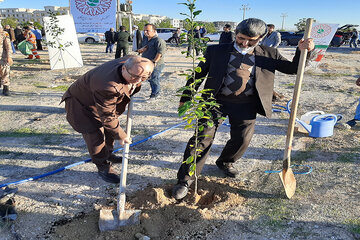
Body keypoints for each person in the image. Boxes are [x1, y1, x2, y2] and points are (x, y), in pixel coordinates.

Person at [172, 18, 314, 200]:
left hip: (246, 103)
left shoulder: (269, 53)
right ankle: (185, 179)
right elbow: (198, 74)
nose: (244, 43)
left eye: (251, 40)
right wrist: (186, 98)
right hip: (214, 101)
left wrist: (303, 51)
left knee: (242, 139)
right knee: (201, 139)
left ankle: (225, 161)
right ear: (235, 34)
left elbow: (294, 68)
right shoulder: (216, 50)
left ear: (261, 38)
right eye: (241, 38)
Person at [61, 56, 154, 183]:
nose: (137, 80)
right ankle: (103, 166)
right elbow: (108, 117)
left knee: (110, 130)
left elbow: (109, 116)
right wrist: (122, 136)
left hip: (101, 101)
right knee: (95, 136)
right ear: (124, 68)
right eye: (134, 76)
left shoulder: (134, 64)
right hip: (82, 104)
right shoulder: (107, 86)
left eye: (143, 78)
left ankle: (108, 154)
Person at [137, 23, 167, 99]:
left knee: (154, 78)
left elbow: (160, 53)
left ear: (154, 31)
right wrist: (142, 50)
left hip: (156, 64)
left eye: (147, 30)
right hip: (147, 64)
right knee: (150, 79)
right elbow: (146, 47)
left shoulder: (159, 40)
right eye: (144, 30)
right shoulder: (146, 39)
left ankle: (155, 94)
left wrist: (154, 62)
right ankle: (154, 92)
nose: (145, 32)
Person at [260, 24, 283, 101]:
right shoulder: (266, 33)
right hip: (264, 50)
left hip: (271, 51)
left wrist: (273, 48)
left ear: (272, 28)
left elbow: (278, 41)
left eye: (269, 28)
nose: (268, 29)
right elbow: (263, 40)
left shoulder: (276, 33)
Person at [0, 25, 13, 96]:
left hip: (3, 57)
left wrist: (9, 57)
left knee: (5, 72)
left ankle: (6, 88)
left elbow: (8, 46)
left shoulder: (4, 34)